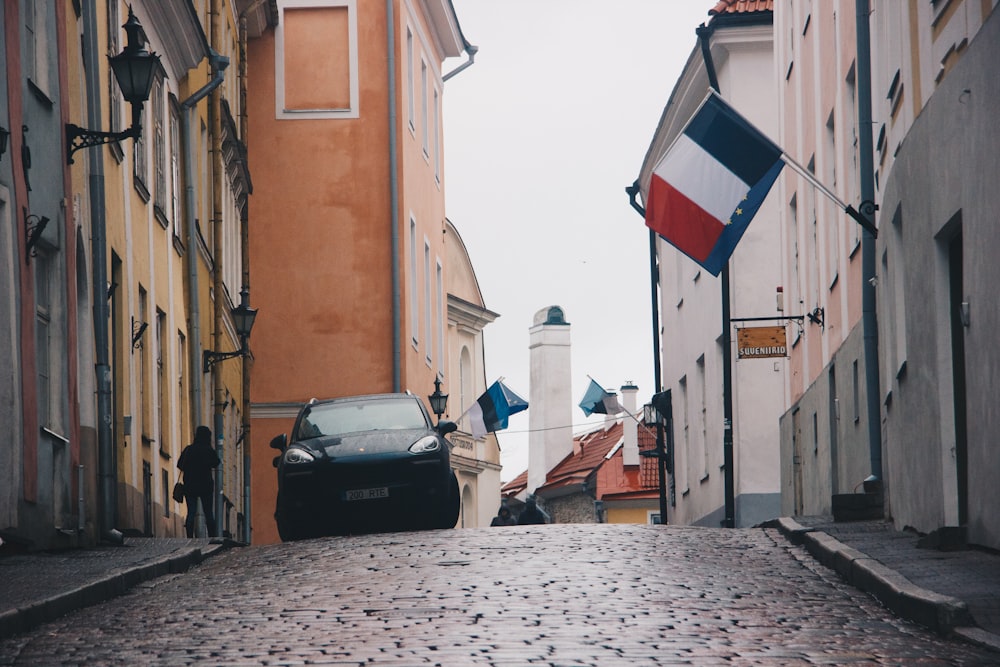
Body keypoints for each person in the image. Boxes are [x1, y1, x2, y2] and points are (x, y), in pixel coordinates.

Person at [178, 425, 220, 538]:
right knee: (208, 513)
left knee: (191, 512)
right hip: (206, 485)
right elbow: (216, 462)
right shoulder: (208, 450)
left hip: (190, 485)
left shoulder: (189, 449)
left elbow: (179, 464)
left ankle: (189, 536)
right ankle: (212, 536)